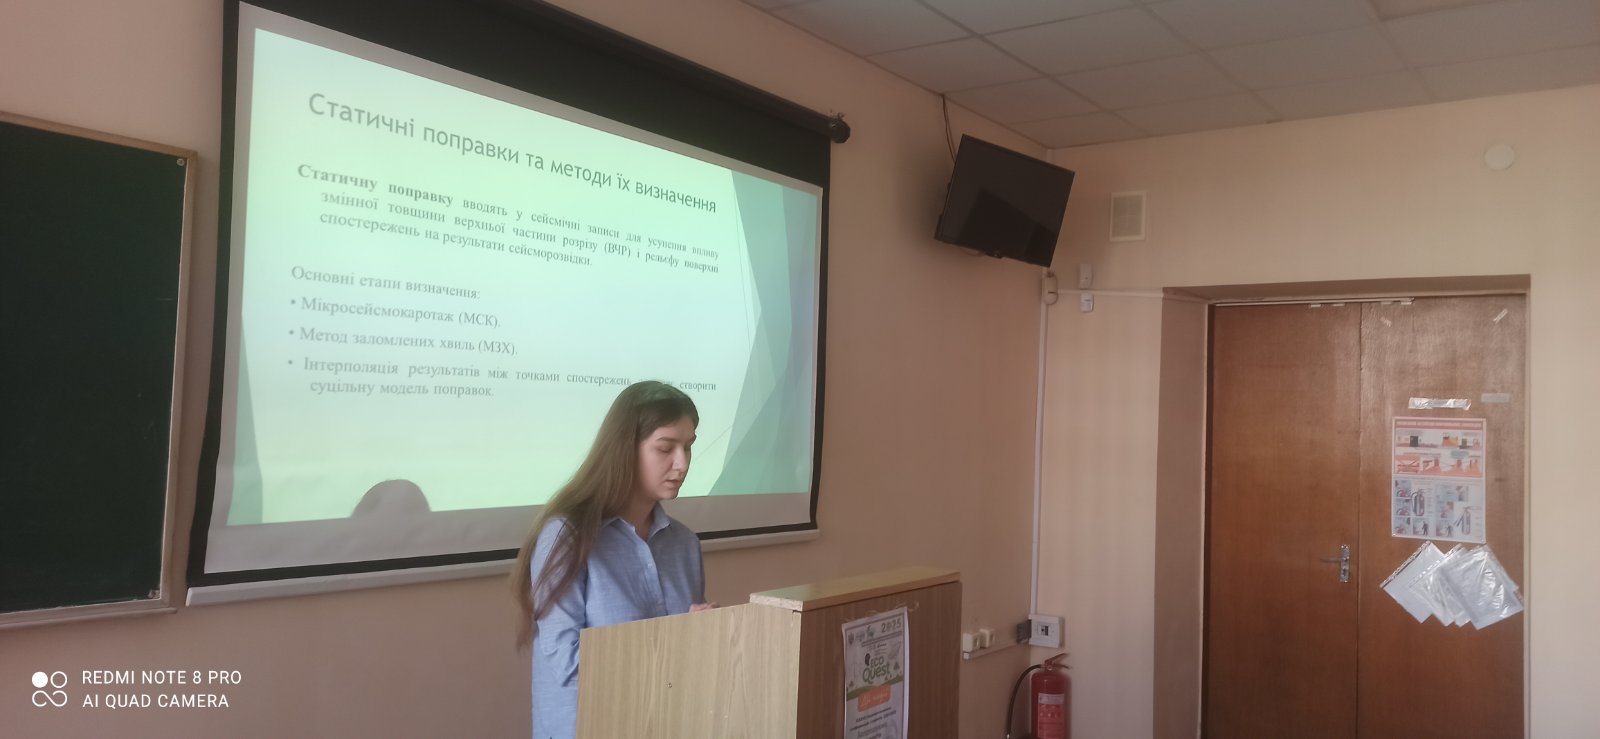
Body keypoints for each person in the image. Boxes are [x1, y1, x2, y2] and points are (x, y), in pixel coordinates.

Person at [510, 381, 711, 739]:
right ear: (624, 450)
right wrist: (676, 646)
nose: (682, 463)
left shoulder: (683, 543)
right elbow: (568, 663)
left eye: (688, 447)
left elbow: (688, 665)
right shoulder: (568, 537)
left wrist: (707, 635)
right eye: (665, 448)